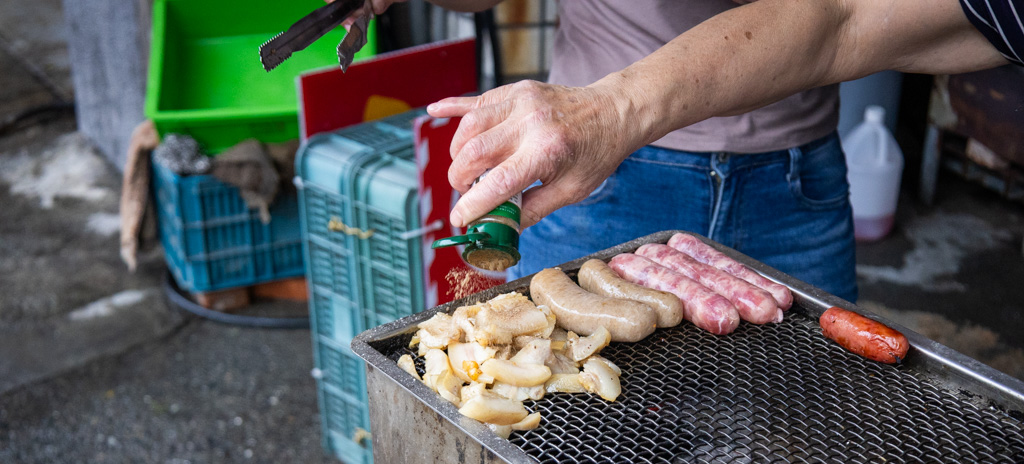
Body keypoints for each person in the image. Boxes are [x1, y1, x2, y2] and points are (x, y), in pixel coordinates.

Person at [348, 0, 1021, 300]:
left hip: (792, 179)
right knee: (559, 451)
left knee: (808, 454)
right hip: (598, 174)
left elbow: (843, 17)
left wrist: (614, 110)